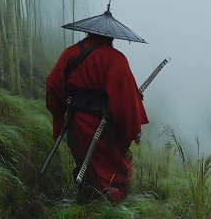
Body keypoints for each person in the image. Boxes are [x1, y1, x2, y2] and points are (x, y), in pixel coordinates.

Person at [45, 33, 149, 204]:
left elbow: (52, 84)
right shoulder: (116, 59)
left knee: (84, 166)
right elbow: (125, 103)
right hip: (104, 129)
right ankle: (106, 209)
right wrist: (134, 131)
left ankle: (86, 203)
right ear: (111, 37)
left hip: (75, 124)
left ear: (89, 33)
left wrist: (61, 112)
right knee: (110, 175)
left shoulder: (70, 53)